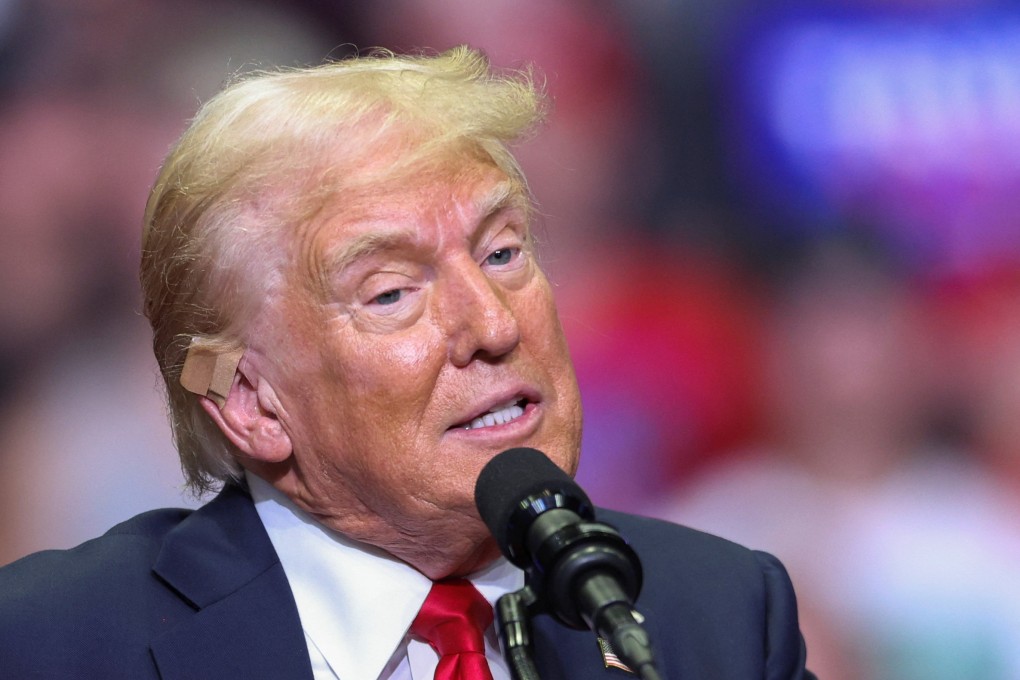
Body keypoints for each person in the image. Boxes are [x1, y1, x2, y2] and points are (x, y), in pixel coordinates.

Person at [0, 46, 815, 679]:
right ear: (251, 401)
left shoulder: (714, 618)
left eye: (502, 252)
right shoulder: (54, 645)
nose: (493, 323)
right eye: (390, 293)